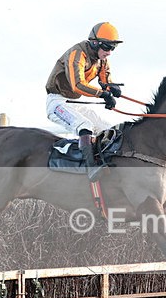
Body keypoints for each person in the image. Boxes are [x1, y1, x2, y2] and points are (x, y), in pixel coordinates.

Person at [45, 21, 123, 182]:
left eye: (113, 48)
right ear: (95, 43)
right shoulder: (77, 53)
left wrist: (111, 89)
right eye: (107, 47)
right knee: (85, 125)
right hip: (57, 102)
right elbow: (77, 84)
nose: (110, 52)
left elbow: (105, 81)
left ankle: (105, 162)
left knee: (107, 129)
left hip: (75, 104)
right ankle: (90, 168)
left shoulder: (101, 60)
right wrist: (102, 94)